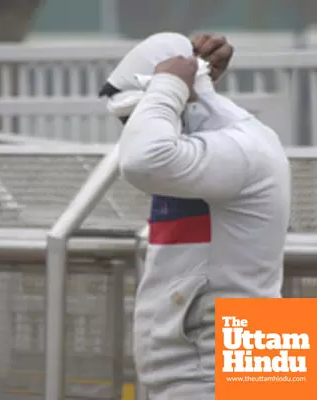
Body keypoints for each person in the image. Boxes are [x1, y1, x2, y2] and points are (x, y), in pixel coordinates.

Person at [100, 33, 290, 399]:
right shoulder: (231, 142)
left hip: (213, 368)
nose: (140, 127)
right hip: (226, 357)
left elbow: (141, 159)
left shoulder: (241, 148)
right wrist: (186, 83)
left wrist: (170, 85)